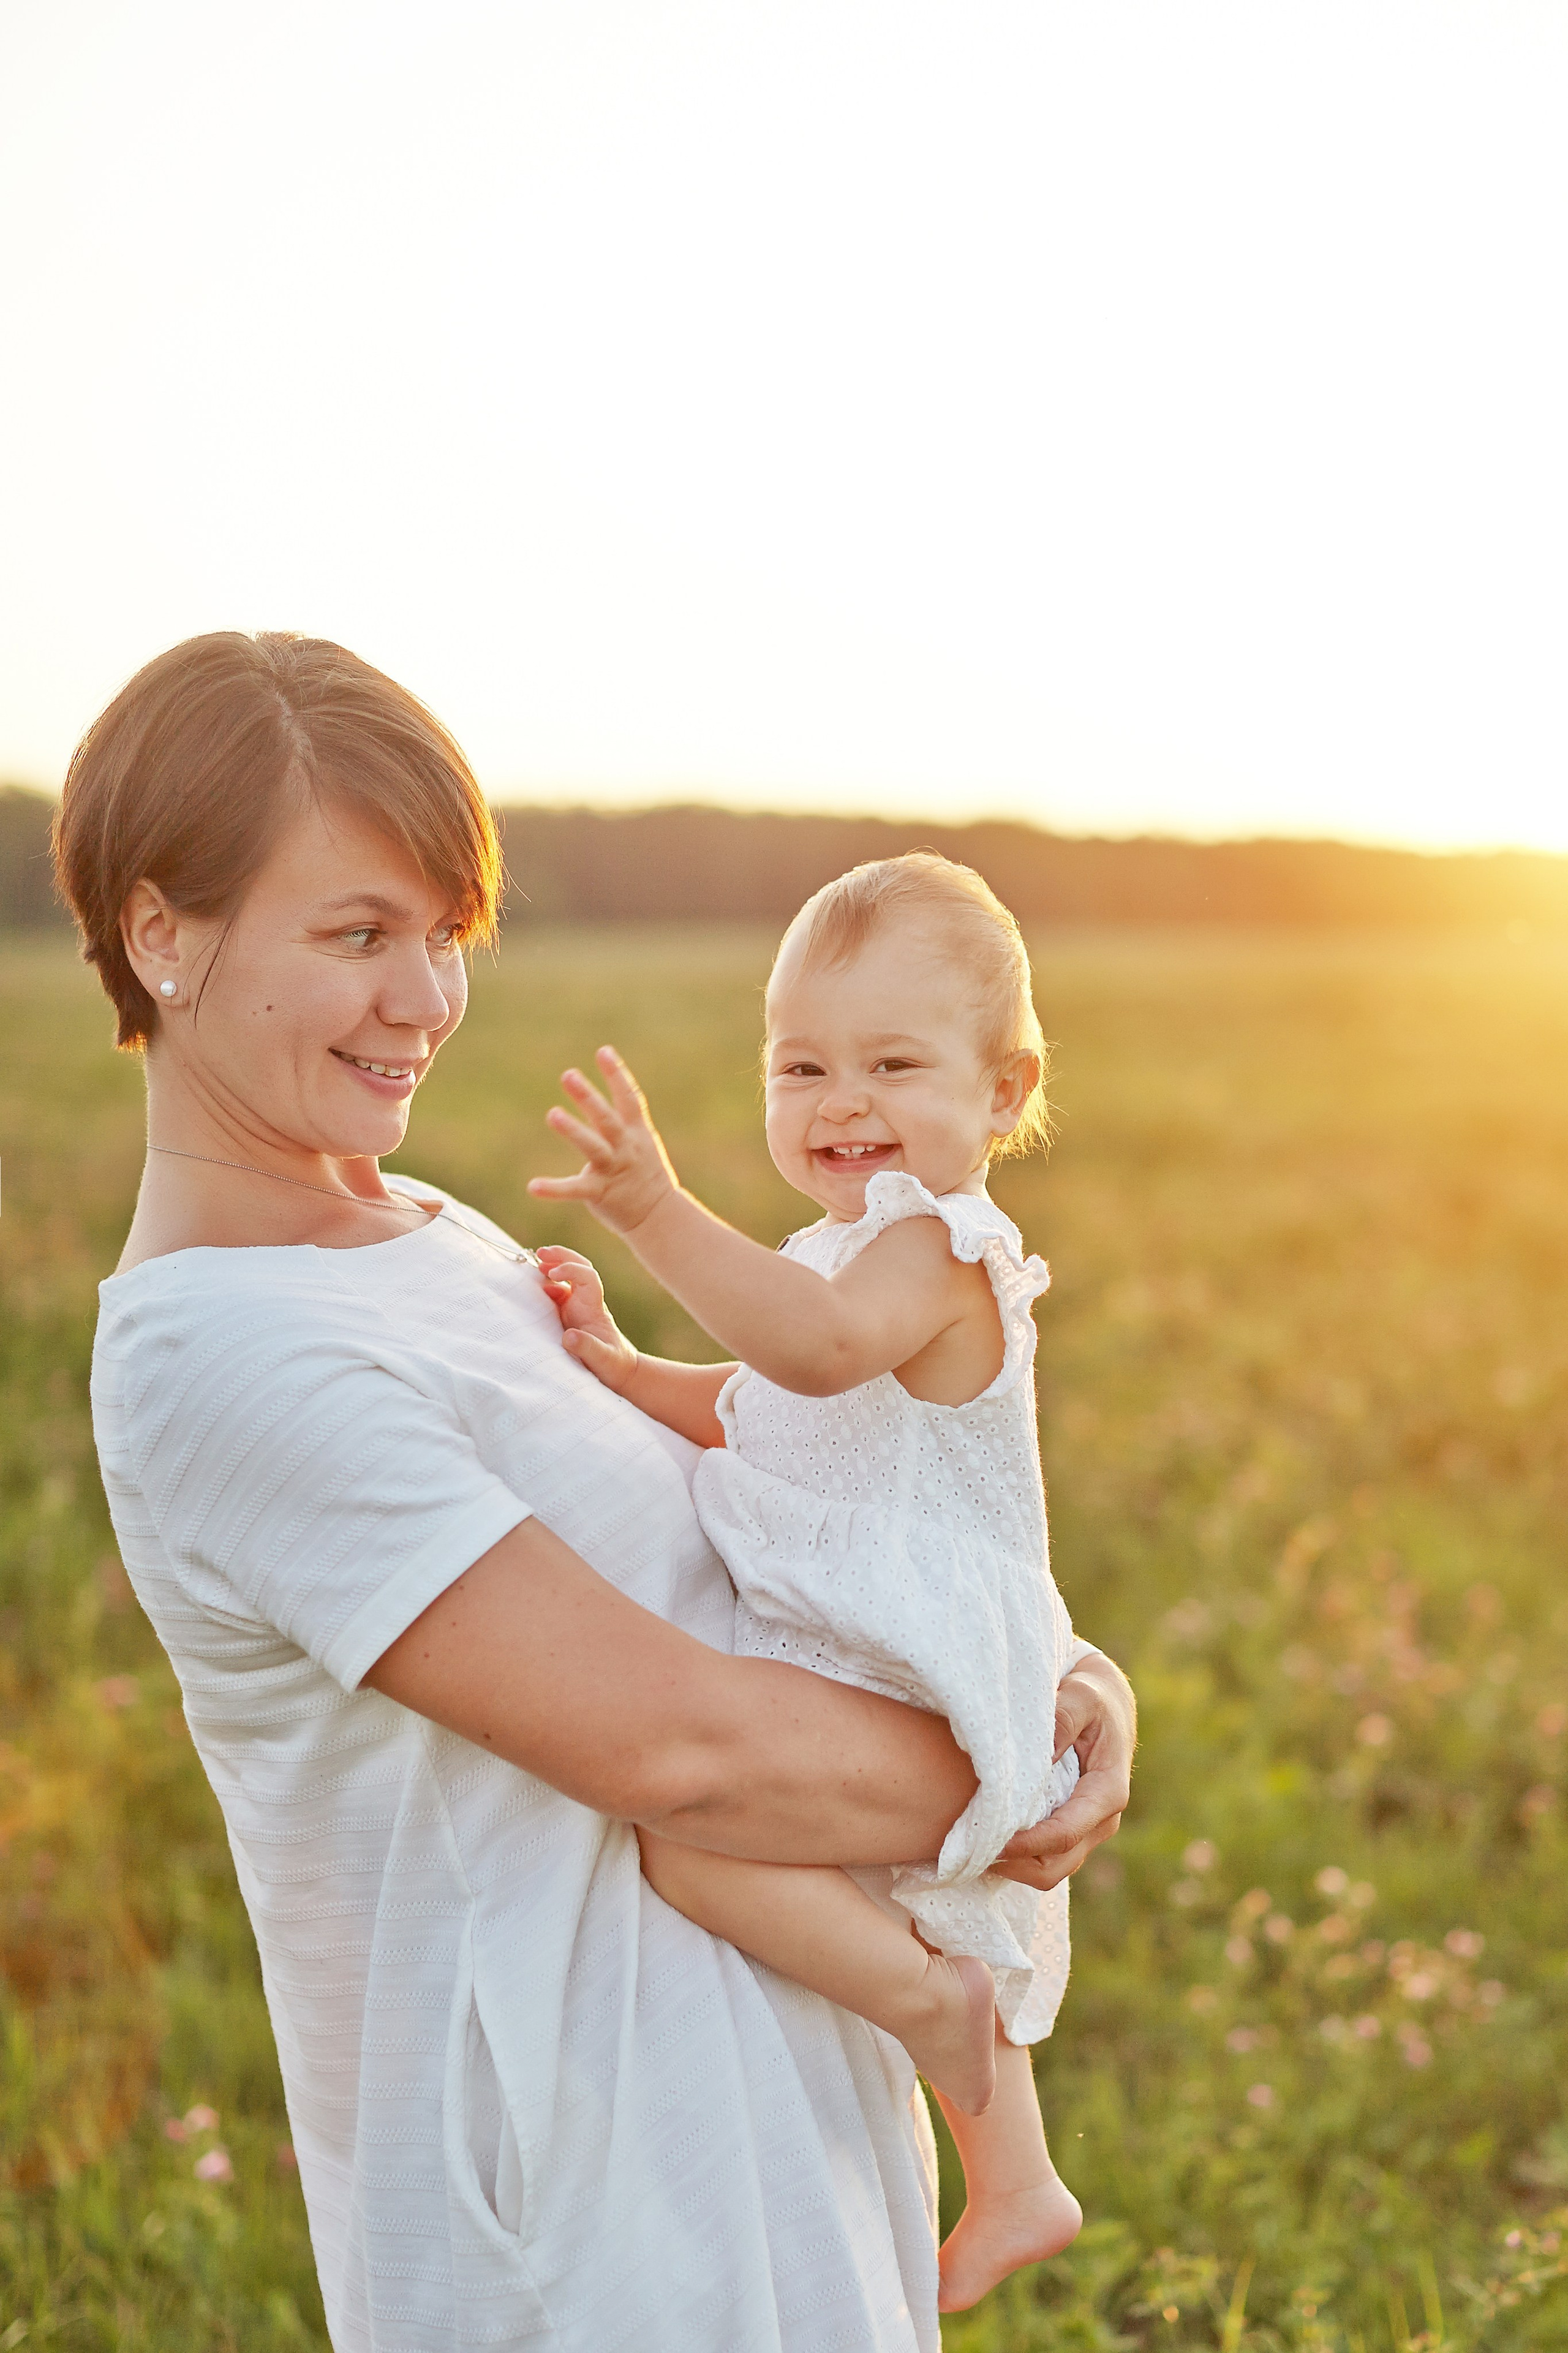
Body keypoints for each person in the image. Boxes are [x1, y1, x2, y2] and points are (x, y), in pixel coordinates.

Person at [59, 630, 1135, 2353]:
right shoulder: (228, 1358)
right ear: (161, 931)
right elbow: (679, 1748)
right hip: (584, 2229)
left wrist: (1066, 1671)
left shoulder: (432, 1240)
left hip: (772, 2132)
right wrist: (1009, 1761)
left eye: (443, 936)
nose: (423, 1002)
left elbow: (788, 1521)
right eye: (357, 936)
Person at [529, 853, 1084, 2312]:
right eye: (802, 1065)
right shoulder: (844, 1252)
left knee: (688, 1842)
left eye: (893, 1063)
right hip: (876, 1633)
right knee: (927, 1894)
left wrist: (652, 1212)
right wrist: (628, 1370)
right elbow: (770, 1401)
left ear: (1003, 1088)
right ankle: (1017, 2180)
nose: (841, 1102)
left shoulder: (933, 1250)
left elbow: (818, 1354)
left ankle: (928, 2008)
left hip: (905, 1648)